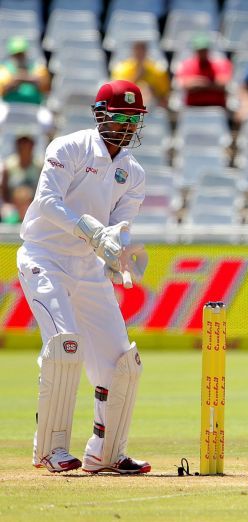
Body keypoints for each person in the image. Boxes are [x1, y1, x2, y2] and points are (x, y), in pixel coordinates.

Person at [18, 79, 150, 474]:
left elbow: (121, 224)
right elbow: (46, 201)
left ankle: (106, 453)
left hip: (89, 269)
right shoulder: (69, 147)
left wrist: (115, 246)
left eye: (134, 118)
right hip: (46, 257)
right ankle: (50, 450)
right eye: (120, 116)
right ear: (99, 115)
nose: (127, 125)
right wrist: (91, 232)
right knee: (64, 347)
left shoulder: (134, 171)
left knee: (122, 363)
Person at [175, 34, 233, 108]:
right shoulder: (187, 65)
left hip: (216, 106)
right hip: (193, 107)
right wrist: (211, 83)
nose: (202, 53)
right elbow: (185, 85)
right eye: (200, 51)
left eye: (204, 50)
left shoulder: (220, 64)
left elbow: (224, 83)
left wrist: (200, 83)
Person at [111, 40, 170, 108]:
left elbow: (165, 98)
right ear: (133, 51)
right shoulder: (122, 69)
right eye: (137, 51)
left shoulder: (158, 70)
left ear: (146, 52)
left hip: (153, 109)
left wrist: (152, 91)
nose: (139, 54)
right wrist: (137, 77)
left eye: (142, 51)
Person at [0, 36, 50, 106]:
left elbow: (45, 87)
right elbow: (3, 88)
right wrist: (29, 78)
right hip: (10, 107)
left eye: (22, 54)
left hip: (34, 106)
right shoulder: (4, 69)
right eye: (16, 54)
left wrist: (18, 79)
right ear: (11, 55)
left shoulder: (38, 68)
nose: (19, 57)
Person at [1, 130, 43, 203]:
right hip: (13, 207)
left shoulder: (40, 166)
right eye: (21, 142)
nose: (24, 146)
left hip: (34, 207)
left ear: (32, 145)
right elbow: (4, 191)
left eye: (27, 143)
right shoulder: (8, 166)